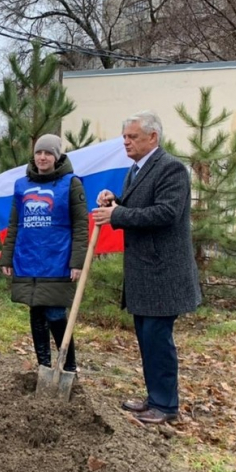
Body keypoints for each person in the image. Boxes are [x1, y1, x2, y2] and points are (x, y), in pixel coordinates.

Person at [92, 111, 201, 424]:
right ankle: (155, 398)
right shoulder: (136, 170)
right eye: (125, 137)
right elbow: (138, 205)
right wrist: (116, 200)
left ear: (153, 137)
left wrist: (117, 216)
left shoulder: (171, 169)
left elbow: (165, 213)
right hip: (144, 273)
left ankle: (166, 406)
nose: (126, 142)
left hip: (163, 274)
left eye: (133, 137)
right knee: (147, 338)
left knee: (157, 339)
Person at [0, 134, 88, 373]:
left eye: (48, 153)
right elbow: (14, 223)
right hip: (27, 259)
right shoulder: (22, 185)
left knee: (55, 312)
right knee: (36, 311)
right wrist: (7, 256)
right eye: (39, 152)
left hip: (57, 259)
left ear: (56, 156)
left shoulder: (71, 184)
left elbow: (81, 225)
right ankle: (44, 366)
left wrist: (77, 261)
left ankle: (68, 366)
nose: (42, 157)